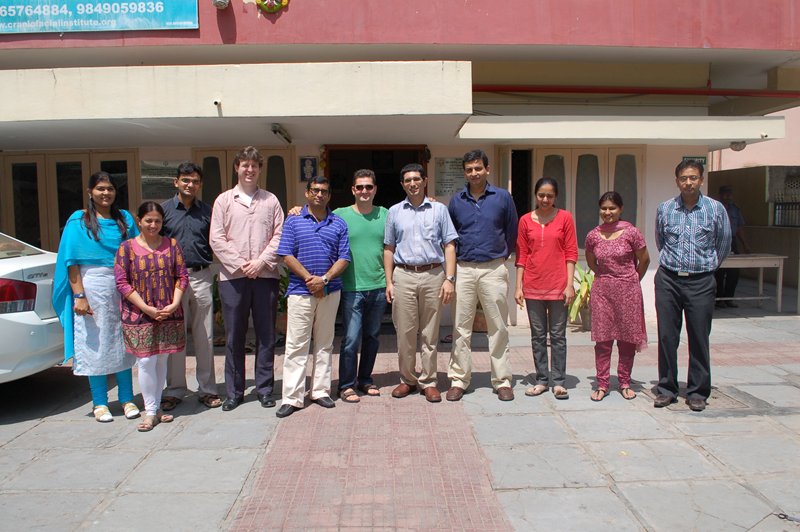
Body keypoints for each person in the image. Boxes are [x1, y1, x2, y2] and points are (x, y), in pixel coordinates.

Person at [53, 171, 140, 423]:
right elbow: (71, 262)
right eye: (100, 188)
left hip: (122, 287)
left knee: (123, 344)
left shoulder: (124, 219)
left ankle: (126, 398)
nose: (106, 193)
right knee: (95, 344)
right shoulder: (78, 221)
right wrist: (79, 295)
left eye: (110, 188)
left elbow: (137, 251)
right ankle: (100, 402)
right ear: (90, 192)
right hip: (92, 288)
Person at [210, 146, 284, 411]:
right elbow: (216, 238)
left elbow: (279, 235)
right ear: (237, 168)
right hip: (233, 278)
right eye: (245, 165)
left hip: (265, 276)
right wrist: (242, 265)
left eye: (254, 165)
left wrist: (261, 262)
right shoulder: (224, 201)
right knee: (234, 337)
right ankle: (234, 391)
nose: (249, 170)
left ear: (260, 169)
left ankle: (264, 388)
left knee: (266, 335)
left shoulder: (271, 201)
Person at [654, 160, 731, 412]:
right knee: (667, 337)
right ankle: (667, 388)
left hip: (701, 281)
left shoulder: (715, 209)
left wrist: (706, 268)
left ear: (701, 180)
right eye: (684, 178)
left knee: (699, 337)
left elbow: (723, 244)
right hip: (668, 280)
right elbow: (660, 240)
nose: (688, 182)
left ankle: (697, 392)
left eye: (693, 178)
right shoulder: (665, 209)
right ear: (677, 181)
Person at [275, 176, 350, 418]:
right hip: (300, 291)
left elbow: (344, 257)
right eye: (315, 190)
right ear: (307, 193)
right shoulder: (294, 220)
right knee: (296, 344)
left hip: (330, 291)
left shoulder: (338, 223)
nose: (320, 195)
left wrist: (324, 280)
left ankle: (319, 391)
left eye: (324, 191)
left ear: (329, 196)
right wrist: (310, 279)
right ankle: (293, 397)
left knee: (324, 342)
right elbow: (286, 254)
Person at [446, 150, 518, 402]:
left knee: (497, 327)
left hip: (493, 268)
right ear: (464, 172)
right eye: (469, 169)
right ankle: (458, 379)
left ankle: (502, 381)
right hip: (464, 269)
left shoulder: (502, 198)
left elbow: (511, 232)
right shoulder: (456, 201)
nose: (474, 173)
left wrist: (501, 257)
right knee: (460, 328)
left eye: (478, 168)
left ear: (487, 169)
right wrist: (451, 274)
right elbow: (450, 238)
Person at [384, 163, 458, 403]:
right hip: (403, 275)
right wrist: (389, 281)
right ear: (402, 184)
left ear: (425, 181)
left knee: (430, 333)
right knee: (404, 333)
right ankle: (407, 380)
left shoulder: (439, 210)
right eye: (407, 180)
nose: (412, 184)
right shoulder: (394, 212)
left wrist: (449, 278)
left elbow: (449, 244)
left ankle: (429, 381)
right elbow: (388, 248)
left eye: (416, 179)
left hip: (433, 275)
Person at [115, 202, 189, 432]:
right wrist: (145, 307)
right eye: (148, 220)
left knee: (162, 359)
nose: (153, 225)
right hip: (139, 313)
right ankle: (149, 411)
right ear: (139, 221)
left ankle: (157, 408)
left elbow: (182, 276)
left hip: (168, 310)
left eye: (157, 220)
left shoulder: (172, 245)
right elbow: (121, 281)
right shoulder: (126, 248)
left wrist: (175, 302)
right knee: (146, 361)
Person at [160, 162, 221, 411]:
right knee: (175, 335)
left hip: (201, 276)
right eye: (185, 180)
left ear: (199, 184)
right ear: (176, 182)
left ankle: (207, 388)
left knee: (205, 335)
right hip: (172, 280)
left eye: (195, 181)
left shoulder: (207, 211)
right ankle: (174, 389)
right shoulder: (163, 211)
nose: (190, 185)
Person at [515, 177, 578, 400]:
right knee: (538, 336)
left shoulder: (565, 218)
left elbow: (571, 252)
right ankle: (542, 379)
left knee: (558, 336)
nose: (545, 199)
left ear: (556, 196)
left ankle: (559, 381)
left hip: (559, 286)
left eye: (550, 195)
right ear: (535, 195)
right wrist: (518, 286)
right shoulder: (524, 220)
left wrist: (570, 285)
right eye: (541, 195)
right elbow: (522, 254)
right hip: (533, 286)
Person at [584, 192, 650, 401]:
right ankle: (602, 383)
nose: (607, 212)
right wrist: (607, 278)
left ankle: (624, 382)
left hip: (628, 291)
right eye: (604, 208)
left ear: (620, 209)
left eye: (612, 208)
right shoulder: (593, 235)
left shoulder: (632, 233)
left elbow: (645, 259)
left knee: (626, 339)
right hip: (603, 291)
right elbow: (591, 261)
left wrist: (630, 280)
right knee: (603, 340)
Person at [334, 169, 389, 403]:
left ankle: (365, 380)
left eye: (368, 187)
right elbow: (315, 216)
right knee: (350, 339)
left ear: (375, 189)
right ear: (353, 190)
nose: (364, 191)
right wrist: (297, 210)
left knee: (372, 337)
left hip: (377, 285)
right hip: (351, 288)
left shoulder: (386, 214)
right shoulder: (340, 214)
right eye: (360, 187)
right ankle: (346, 385)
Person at [715, 185, 751, 308]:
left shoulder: (735, 209)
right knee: (718, 271)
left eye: (730, 194)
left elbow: (739, 228)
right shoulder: (715, 208)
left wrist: (745, 245)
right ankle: (718, 299)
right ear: (720, 195)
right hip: (717, 241)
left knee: (734, 271)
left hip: (732, 241)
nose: (728, 196)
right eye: (726, 194)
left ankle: (728, 298)